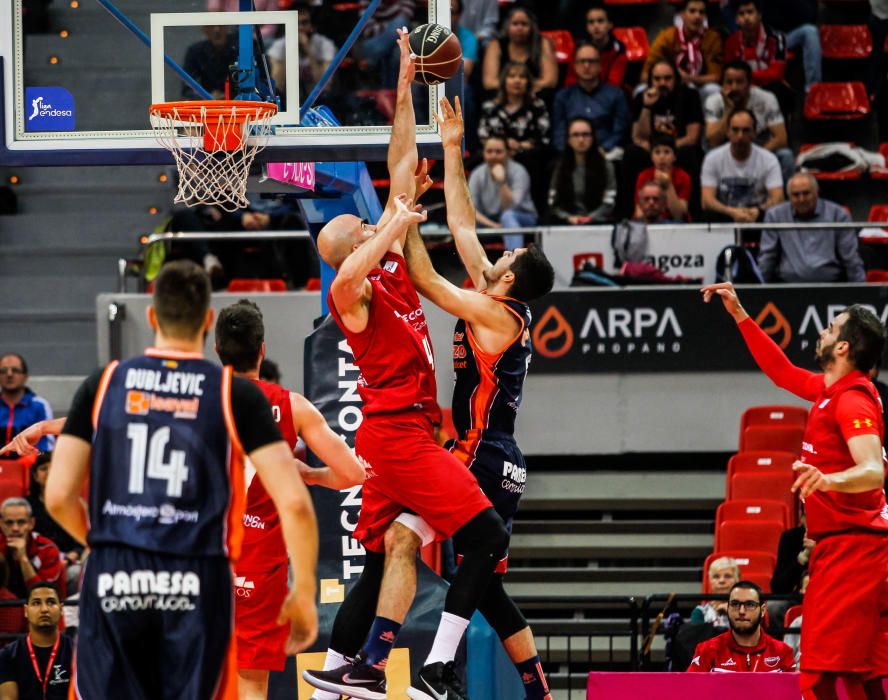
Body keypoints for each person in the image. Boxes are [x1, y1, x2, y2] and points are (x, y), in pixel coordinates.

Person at [302, 32, 508, 700]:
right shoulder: (348, 294)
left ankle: (345, 672)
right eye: (360, 232)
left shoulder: (388, 262)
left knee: (385, 553)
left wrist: (405, 75)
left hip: (402, 434)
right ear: (351, 250)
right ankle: (437, 666)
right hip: (398, 436)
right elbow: (349, 264)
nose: (371, 227)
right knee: (487, 536)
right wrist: (386, 229)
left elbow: (398, 155)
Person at [47, 260, 320, 700]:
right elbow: (294, 504)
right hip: (194, 576)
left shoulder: (106, 382)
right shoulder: (236, 394)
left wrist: (108, 545)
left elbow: (59, 496)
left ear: (152, 317)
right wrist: (304, 589)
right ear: (208, 321)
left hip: (118, 573)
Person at [701, 281, 888, 700]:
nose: (823, 331)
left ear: (844, 348)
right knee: (864, 675)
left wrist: (828, 480)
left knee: (817, 677)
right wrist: (739, 315)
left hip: (854, 551)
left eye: (831, 327)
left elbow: (873, 470)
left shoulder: (852, 401)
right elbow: (780, 372)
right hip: (844, 549)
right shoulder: (829, 391)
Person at [214, 300, 365, 700]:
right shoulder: (291, 405)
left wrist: (47, 429)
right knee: (251, 682)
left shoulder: (193, 399)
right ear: (262, 349)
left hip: (201, 552)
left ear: (216, 350)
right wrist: (311, 474)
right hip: (259, 560)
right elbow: (352, 473)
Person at [758, 173, 865, 284]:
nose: (801, 199)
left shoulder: (838, 215)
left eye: (806, 193)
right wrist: (758, 293)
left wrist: (860, 292)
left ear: (816, 193)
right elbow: (767, 258)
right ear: (788, 196)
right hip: (787, 292)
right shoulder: (775, 215)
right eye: (796, 195)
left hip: (831, 290)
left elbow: (851, 258)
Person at [477, 61, 551, 210]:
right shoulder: (491, 107)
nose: (517, 80)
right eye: (512, 76)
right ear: (504, 81)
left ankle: (533, 211)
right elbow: (483, 135)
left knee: (539, 160)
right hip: (496, 154)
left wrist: (519, 146)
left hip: (528, 155)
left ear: (528, 82)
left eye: (522, 77)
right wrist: (502, 146)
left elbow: (543, 137)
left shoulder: (537, 106)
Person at [704, 60, 793, 182]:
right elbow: (713, 141)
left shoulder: (766, 99)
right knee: (708, 154)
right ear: (722, 84)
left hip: (760, 147)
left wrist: (754, 158)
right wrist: (728, 111)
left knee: (786, 155)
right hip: (727, 151)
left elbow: (781, 139)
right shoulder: (714, 101)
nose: (734, 87)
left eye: (739, 82)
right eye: (729, 82)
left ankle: (785, 199)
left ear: (750, 83)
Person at [687, 581, 795, 673]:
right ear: (728, 608)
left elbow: (794, 695)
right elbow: (690, 693)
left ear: (763, 610)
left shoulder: (782, 652)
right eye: (735, 604)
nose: (741, 611)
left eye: (750, 605)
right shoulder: (707, 650)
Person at [700, 109, 783, 223]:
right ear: (727, 132)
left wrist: (759, 211)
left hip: (757, 219)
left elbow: (778, 198)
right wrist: (731, 212)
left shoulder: (769, 160)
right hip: (725, 218)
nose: (740, 136)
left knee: (775, 214)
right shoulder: (712, 158)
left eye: (746, 130)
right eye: (735, 130)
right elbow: (707, 201)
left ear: (754, 132)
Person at [551, 43, 630, 155]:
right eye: (582, 61)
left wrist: (605, 148)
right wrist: (566, 152)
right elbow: (559, 132)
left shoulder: (616, 94)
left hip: (606, 152)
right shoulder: (563, 96)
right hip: (571, 154)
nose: (586, 66)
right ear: (575, 66)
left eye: (591, 61)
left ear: (600, 66)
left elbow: (620, 130)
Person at [0, 583, 73, 699]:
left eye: (51, 602)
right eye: (36, 603)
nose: (44, 609)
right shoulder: (9, 655)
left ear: (61, 609)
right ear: (26, 610)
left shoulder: (76, 652)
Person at [642, 0, 724, 103]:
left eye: (701, 12)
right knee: (640, 90)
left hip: (699, 86)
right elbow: (645, 74)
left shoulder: (712, 38)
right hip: (669, 86)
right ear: (682, 14)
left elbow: (716, 77)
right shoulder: (666, 37)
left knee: (714, 90)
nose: (697, 16)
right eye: (692, 11)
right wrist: (668, 80)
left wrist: (689, 78)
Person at [469, 136, 538, 250]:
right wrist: (494, 226)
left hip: (523, 217)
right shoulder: (477, 174)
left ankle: (513, 263)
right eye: (489, 151)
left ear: (508, 153)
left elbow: (510, 207)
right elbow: (471, 210)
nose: (493, 156)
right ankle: (470, 266)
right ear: (484, 154)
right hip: (491, 220)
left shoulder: (519, 171)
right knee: (464, 224)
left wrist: (502, 182)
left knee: (508, 216)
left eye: (498, 152)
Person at [27, 455, 83, 595]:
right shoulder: (26, 506)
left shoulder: (71, 502)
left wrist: (74, 554)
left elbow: (80, 538)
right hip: (37, 563)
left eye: (53, 468)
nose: (49, 472)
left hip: (67, 562)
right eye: (43, 469)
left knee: (78, 572)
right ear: (34, 475)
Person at [547, 117, 616, 225]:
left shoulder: (606, 167)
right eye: (575, 135)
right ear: (568, 140)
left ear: (592, 138)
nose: (581, 139)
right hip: (567, 223)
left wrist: (589, 218)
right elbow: (552, 203)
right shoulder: (559, 167)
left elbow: (609, 202)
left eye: (585, 134)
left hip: (597, 223)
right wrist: (569, 217)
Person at [482, 7, 558, 99]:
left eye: (524, 24)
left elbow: (550, 80)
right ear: (507, 26)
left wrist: (522, 88)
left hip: (534, 96)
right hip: (503, 97)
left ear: (532, 27)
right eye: (515, 24)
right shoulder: (495, 45)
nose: (520, 28)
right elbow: (489, 82)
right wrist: (515, 88)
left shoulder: (542, 43)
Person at [0, 498, 63, 601]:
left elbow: (43, 596)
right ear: (1, 524)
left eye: (21, 522)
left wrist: (23, 558)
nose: (15, 528)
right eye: (9, 523)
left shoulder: (47, 549)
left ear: (31, 523)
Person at [723, 0, 788, 89]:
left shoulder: (777, 38)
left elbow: (776, 73)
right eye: (741, 14)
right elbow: (730, 75)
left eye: (750, 12)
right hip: (742, 89)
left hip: (769, 87)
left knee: (779, 87)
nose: (746, 17)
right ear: (736, 19)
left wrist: (746, 75)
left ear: (759, 15)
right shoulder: (731, 41)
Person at [760, 0, 821, 91]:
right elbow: (767, 15)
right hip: (768, 36)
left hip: (791, 36)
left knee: (810, 31)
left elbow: (809, 17)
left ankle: (813, 89)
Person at [0, 354, 53, 457]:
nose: (9, 374)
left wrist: (34, 460)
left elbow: (47, 448)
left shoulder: (40, 406)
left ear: (25, 376)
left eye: (15, 370)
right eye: (3, 371)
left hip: (29, 469)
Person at [633, 134, 691, 222]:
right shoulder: (643, 176)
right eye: (657, 152)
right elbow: (639, 212)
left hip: (673, 222)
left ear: (674, 157)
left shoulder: (683, 176)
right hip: (649, 221)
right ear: (651, 157)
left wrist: (668, 186)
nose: (662, 157)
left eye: (667, 152)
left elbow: (678, 215)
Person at [182, 25, 238, 99]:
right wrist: (205, 97)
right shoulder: (195, 52)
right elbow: (187, 89)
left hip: (239, 105)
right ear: (204, 29)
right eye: (211, 25)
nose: (216, 30)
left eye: (220, 25)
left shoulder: (242, 48)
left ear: (227, 26)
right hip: (208, 107)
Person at [583, 3, 628, 88]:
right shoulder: (579, 49)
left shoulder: (618, 49)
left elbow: (614, 85)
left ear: (610, 25)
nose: (596, 26)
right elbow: (570, 82)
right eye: (591, 22)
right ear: (587, 27)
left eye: (600, 21)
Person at [690, 556, 740, 626]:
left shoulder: (747, 612)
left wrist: (733, 614)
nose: (721, 581)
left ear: (737, 580)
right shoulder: (700, 612)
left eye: (728, 576)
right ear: (709, 581)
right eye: (716, 576)